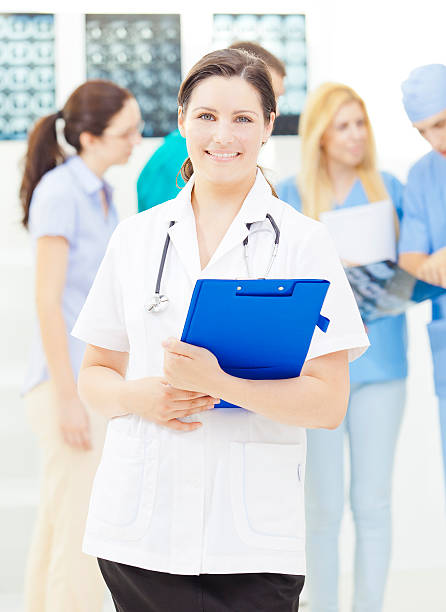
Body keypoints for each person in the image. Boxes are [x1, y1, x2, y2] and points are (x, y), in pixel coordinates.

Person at [72, 49, 368, 612]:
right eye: (206, 116)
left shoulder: (304, 244)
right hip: (141, 529)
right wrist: (142, 396)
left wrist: (220, 383)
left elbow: (329, 403)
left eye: (242, 118)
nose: (222, 135)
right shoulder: (136, 239)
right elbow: (95, 375)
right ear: (182, 121)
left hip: (251, 541)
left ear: (267, 127)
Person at [277, 83, 407, 612]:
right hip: (316, 372)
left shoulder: (389, 188)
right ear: (320, 135)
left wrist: (379, 282)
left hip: (383, 364)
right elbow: (278, 282)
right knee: (321, 507)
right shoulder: (289, 194)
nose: (355, 136)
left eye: (361, 124)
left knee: (372, 502)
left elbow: (410, 279)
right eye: (342, 125)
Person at [20, 79, 142, 612]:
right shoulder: (60, 192)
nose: (136, 141)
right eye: (126, 132)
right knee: (77, 533)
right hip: (63, 385)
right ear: (90, 137)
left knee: (58, 526)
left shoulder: (105, 196)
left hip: (84, 385)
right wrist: (69, 396)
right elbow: (48, 302)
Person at [136, 40, 286, 212]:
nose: (276, 109)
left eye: (242, 119)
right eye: (207, 116)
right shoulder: (177, 157)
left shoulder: (299, 232)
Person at [399, 64, 446, 494]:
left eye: (443, 123)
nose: (437, 141)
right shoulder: (423, 175)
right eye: (424, 131)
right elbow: (412, 259)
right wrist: (429, 262)